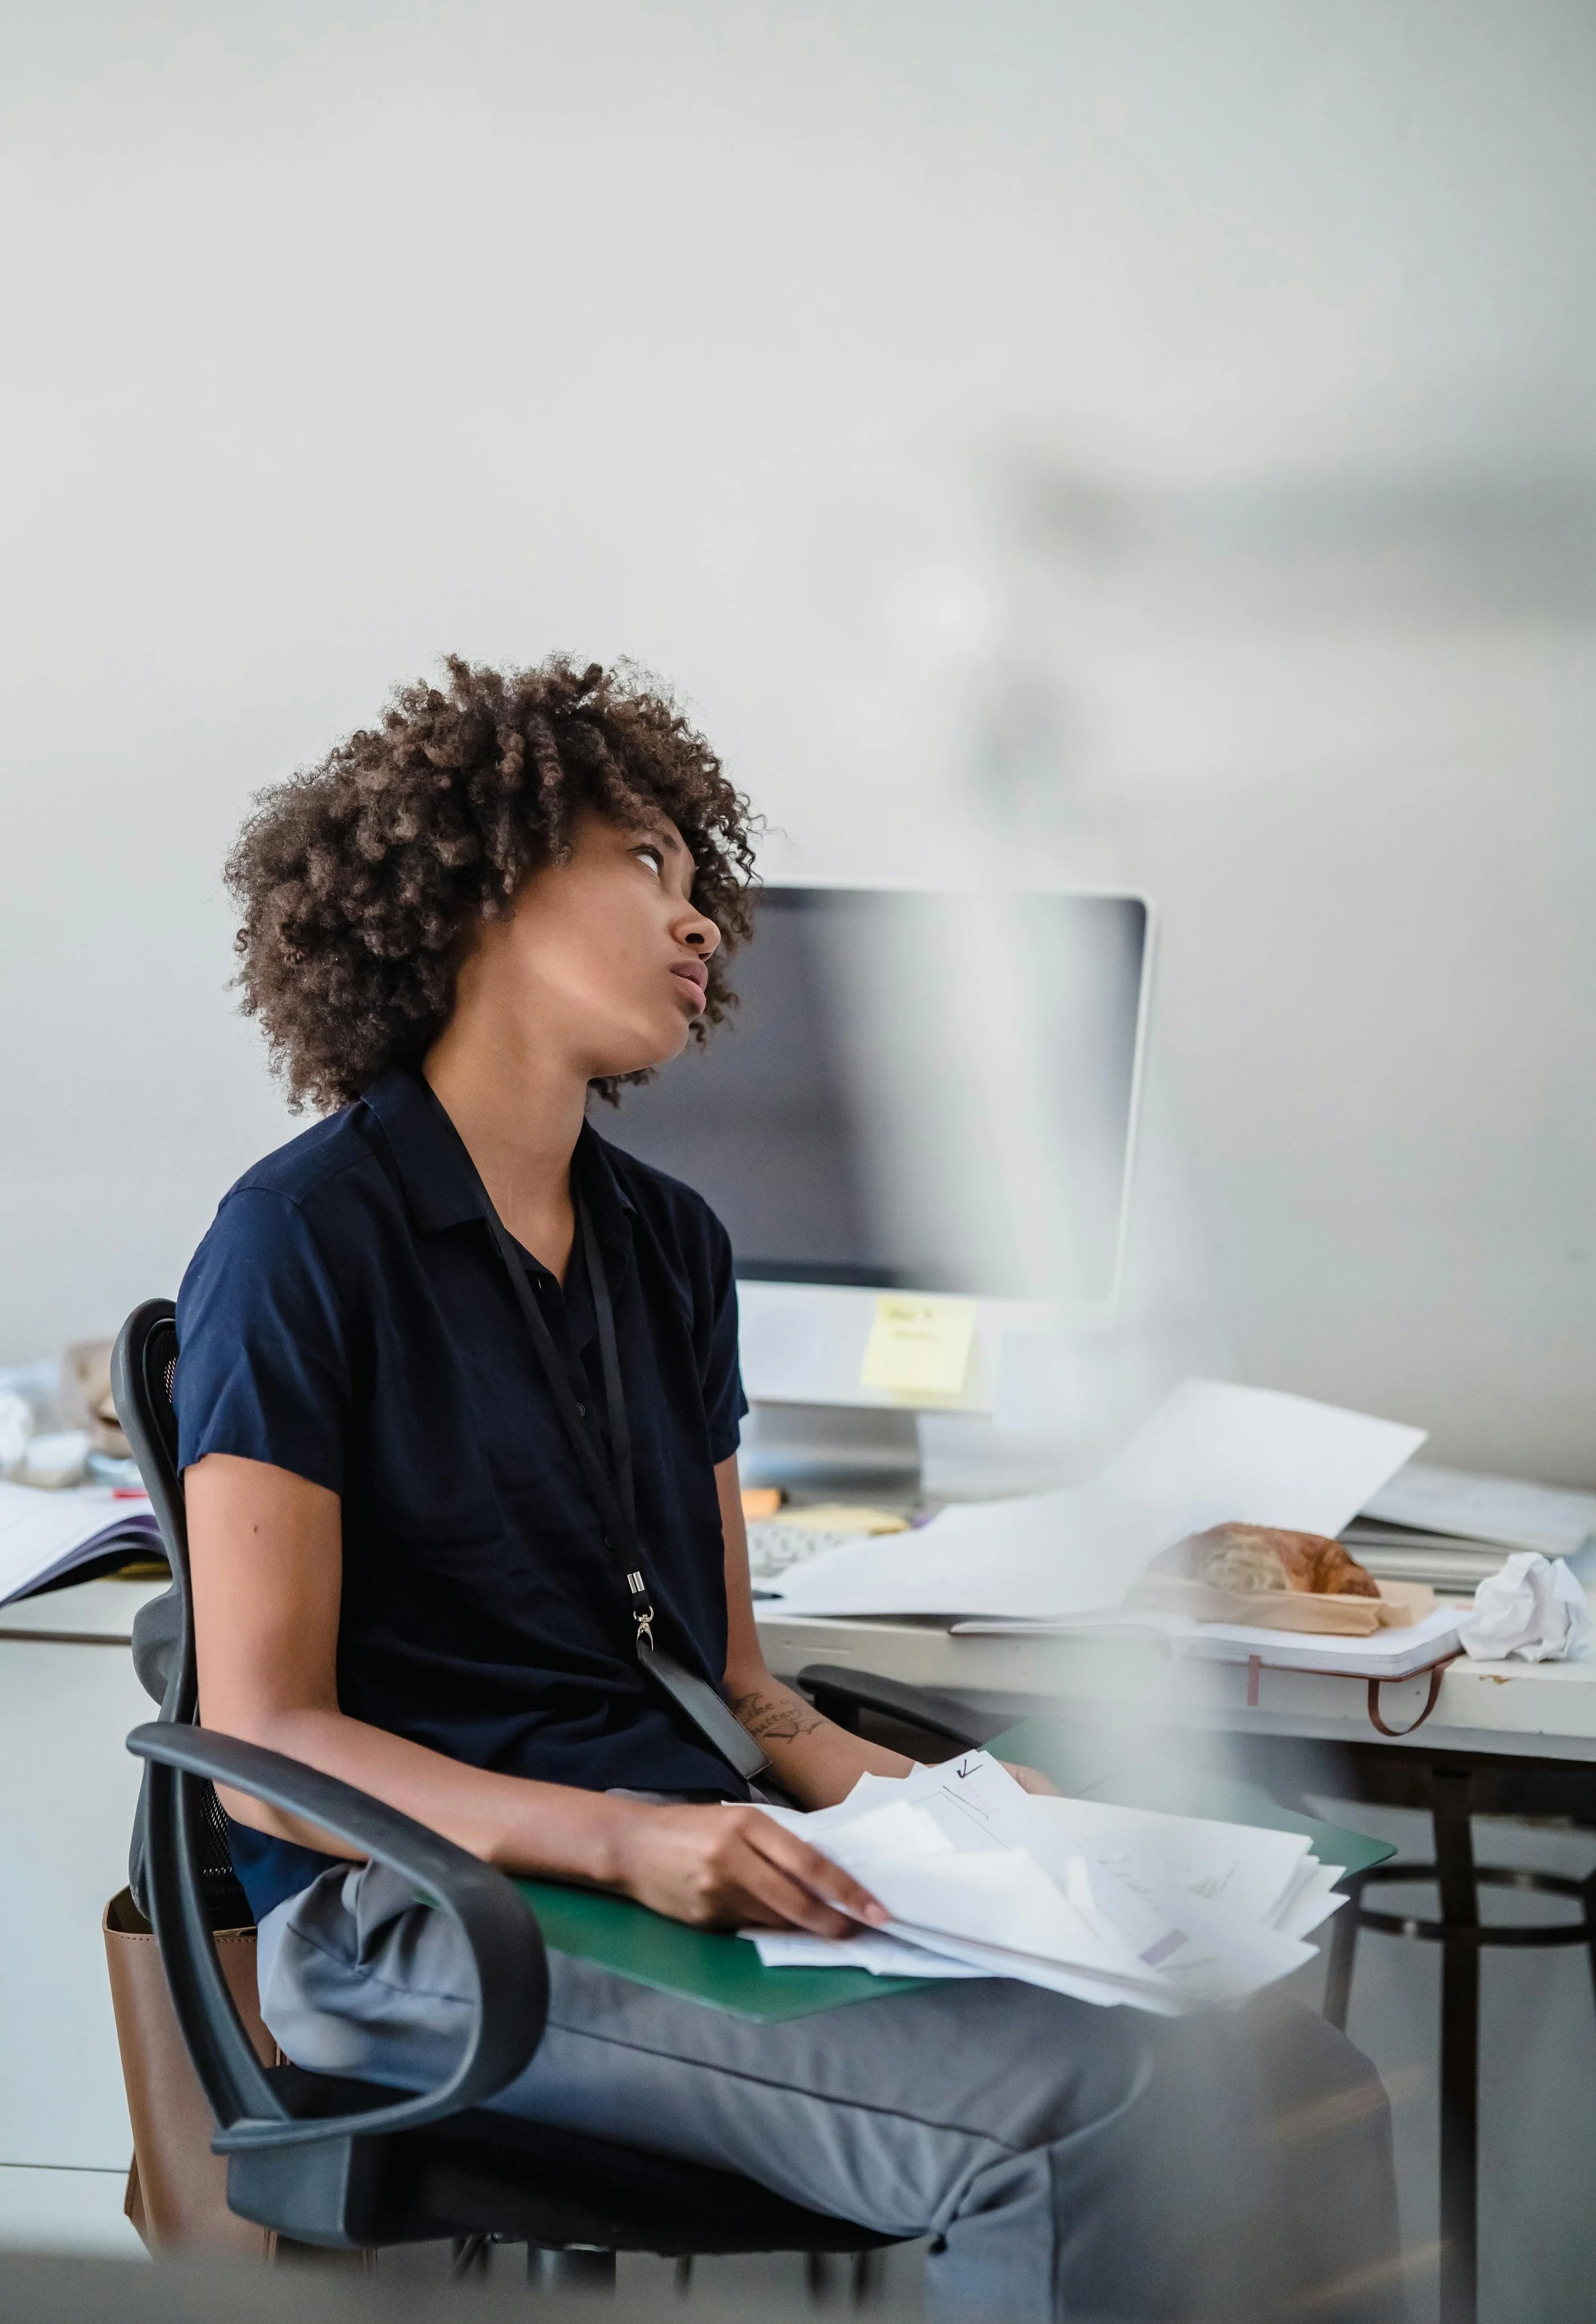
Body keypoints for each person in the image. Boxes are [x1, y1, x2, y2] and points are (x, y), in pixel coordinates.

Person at [176, 655, 1401, 2321]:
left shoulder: (665, 1247)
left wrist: (993, 1820)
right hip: (430, 1919)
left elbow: (737, 1680)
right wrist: (627, 1838)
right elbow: (260, 1750)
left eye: (701, 875)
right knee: (1094, 2107)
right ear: (483, 879)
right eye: (645, 863)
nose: (701, 922)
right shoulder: (303, 1238)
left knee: (1291, 2064)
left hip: (685, 1858)